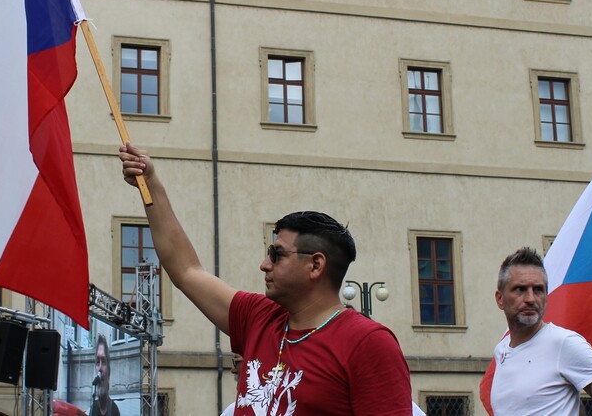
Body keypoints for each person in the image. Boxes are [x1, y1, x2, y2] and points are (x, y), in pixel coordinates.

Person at [120, 143, 412, 415]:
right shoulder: (259, 317)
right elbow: (186, 271)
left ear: (315, 265)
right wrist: (151, 185)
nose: (264, 265)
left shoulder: (368, 343)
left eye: (277, 255)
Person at [490, 247, 592, 416]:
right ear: (500, 299)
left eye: (538, 289)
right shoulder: (501, 350)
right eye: (520, 289)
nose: (530, 299)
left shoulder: (564, 343)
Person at [88, 334, 120, 416]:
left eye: (104, 362)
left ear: (108, 372)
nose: (100, 368)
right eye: (98, 362)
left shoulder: (114, 410)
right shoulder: (92, 409)